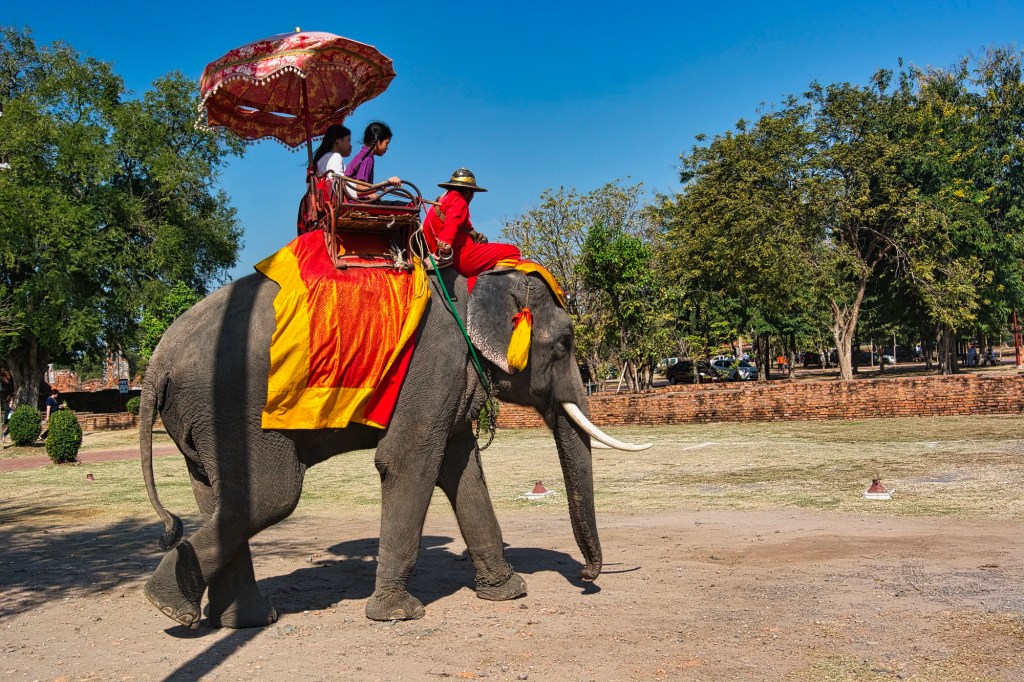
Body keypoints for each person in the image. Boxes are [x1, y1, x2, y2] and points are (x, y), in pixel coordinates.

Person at [422, 168, 522, 277]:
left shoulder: (439, 201)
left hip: (435, 250)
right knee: (512, 251)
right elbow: (451, 225)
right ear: (469, 191)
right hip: (458, 257)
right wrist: (445, 245)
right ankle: (490, 288)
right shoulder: (459, 202)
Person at [345, 121, 401, 199]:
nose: (387, 148)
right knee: (408, 207)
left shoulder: (360, 156)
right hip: (357, 203)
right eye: (386, 143)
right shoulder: (368, 159)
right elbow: (359, 190)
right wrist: (384, 184)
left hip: (352, 199)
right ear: (377, 141)